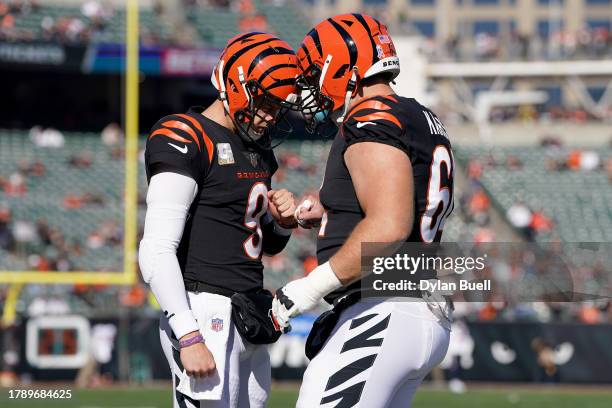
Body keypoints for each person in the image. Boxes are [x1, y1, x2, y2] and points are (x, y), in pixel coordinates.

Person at [272, 14, 455, 407]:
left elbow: (388, 226)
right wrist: (320, 211)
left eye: (315, 74)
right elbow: (396, 198)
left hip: (381, 309)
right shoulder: (421, 117)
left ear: (343, 67)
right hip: (412, 305)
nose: (310, 88)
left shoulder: (372, 117)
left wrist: (308, 289)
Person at [138, 32, 300, 408]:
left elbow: (263, 243)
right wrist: (189, 335)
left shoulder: (257, 147)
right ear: (235, 84)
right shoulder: (185, 134)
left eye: (277, 105)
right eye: (264, 102)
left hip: (248, 309)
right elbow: (156, 249)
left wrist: (282, 222)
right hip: (203, 306)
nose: (270, 115)